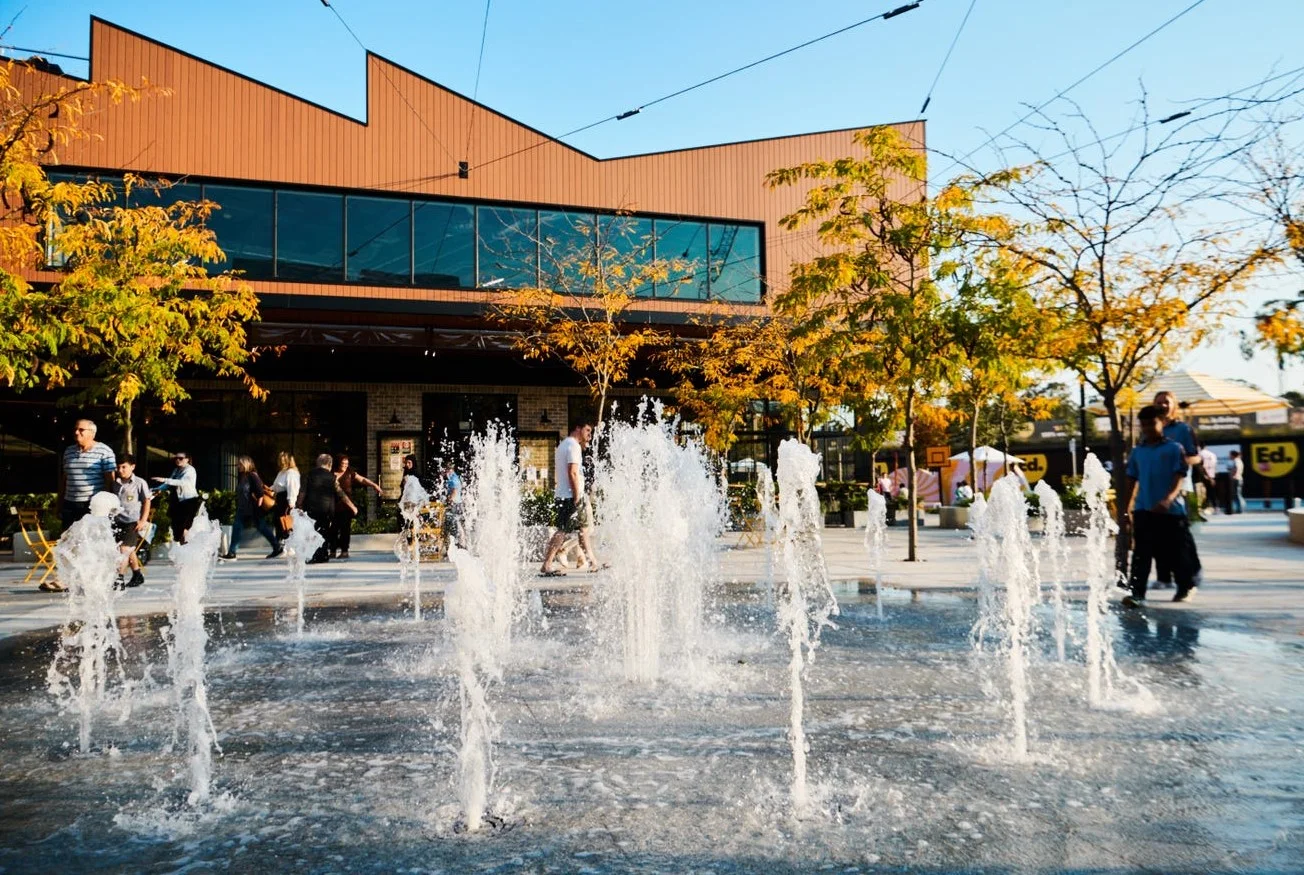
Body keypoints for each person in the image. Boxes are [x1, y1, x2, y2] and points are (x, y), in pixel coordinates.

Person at [1122, 405, 1197, 607]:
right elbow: (1131, 481)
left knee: (1176, 552)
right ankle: (1137, 593)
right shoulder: (1138, 452)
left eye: (1152, 423)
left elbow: (1179, 477)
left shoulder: (1174, 449)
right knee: (1141, 554)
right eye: (1143, 424)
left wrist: (1167, 499)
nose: (1147, 428)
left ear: (1162, 422)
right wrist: (1126, 509)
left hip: (1171, 511)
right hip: (1144, 509)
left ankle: (1185, 587)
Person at [1152, 391, 1202, 588]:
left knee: (1179, 533)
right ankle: (1164, 577)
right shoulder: (1150, 428)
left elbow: (1196, 456)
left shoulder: (1182, 429)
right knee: (1157, 534)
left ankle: (1193, 570)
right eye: (1159, 402)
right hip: (1154, 486)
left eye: (1166, 402)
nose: (1163, 405)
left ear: (1174, 405)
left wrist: (1179, 461)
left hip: (1177, 486)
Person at [540, 421, 599, 576]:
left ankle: (593, 562)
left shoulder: (563, 445)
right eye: (587, 430)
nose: (589, 435)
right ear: (577, 428)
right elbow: (572, 472)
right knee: (563, 530)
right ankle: (547, 564)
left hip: (567, 494)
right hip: (570, 496)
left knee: (583, 529)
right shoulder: (573, 446)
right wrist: (576, 495)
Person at [58, 418, 116, 533]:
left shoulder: (104, 451)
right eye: (75, 429)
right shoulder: (69, 451)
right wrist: (59, 504)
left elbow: (110, 481)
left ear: (92, 433)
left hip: (91, 505)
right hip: (69, 503)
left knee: (90, 540)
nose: (76, 432)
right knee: (67, 540)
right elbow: (64, 479)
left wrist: (104, 507)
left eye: (81, 430)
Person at [298, 453, 354, 564]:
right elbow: (341, 494)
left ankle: (313, 555)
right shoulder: (332, 478)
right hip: (326, 509)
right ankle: (323, 555)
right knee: (324, 532)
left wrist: (298, 505)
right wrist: (353, 506)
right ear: (329, 464)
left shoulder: (308, 475)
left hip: (310, 508)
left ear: (318, 463)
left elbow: (302, 492)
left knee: (311, 532)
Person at [222, 455, 280, 560]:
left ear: (246, 464)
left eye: (239, 464)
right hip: (242, 508)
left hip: (253, 509)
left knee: (262, 528)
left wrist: (258, 508)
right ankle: (231, 552)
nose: (237, 466)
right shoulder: (242, 477)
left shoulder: (253, 476)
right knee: (237, 528)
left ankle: (277, 547)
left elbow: (260, 493)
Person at [111, 454, 151, 588]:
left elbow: (147, 501)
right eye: (118, 467)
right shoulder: (114, 482)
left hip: (132, 522)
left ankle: (119, 579)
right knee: (128, 550)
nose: (120, 470)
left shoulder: (139, 483)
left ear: (132, 467)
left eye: (124, 467)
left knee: (124, 549)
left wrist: (143, 520)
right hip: (117, 521)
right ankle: (137, 574)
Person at [332, 454, 382, 560]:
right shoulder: (331, 474)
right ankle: (332, 550)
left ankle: (344, 551)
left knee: (345, 529)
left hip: (346, 506)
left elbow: (362, 480)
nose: (345, 466)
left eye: (346, 464)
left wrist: (374, 485)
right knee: (333, 529)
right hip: (333, 506)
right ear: (338, 463)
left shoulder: (350, 473)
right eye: (343, 463)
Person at [152, 451, 200, 545]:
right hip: (178, 501)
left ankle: (186, 548)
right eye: (176, 458)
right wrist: (158, 489)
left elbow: (181, 482)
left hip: (189, 500)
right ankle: (182, 548)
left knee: (185, 528)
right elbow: (168, 484)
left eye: (181, 458)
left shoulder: (190, 470)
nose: (178, 460)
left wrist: (165, 479)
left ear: (187, 459)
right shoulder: (176, 470)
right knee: (176, 528)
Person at [271, 451, 300, 544]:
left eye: (282, 460)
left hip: (285, 500)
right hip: (280, 499)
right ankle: (280, 544)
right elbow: (276, 486)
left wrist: (291, 502)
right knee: (278, 522)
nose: (280, 462)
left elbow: (292, 488)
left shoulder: (291, 473)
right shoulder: (282, 472)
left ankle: (287, 545)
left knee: (285, 523)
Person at [441, 459, 464, 550]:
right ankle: (459, 544)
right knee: (457, 525)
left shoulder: (452, 479)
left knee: (451, 526)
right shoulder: (455, 477)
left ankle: (456, 545)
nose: (444, 472)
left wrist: (448, 500)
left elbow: (454, 491)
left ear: (449, 470)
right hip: (458, 504)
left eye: (445, 470)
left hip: (454, 505)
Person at [1196, 441, 1218, 520]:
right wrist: (1212, 477)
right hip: (1212, 475)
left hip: (1203, 476)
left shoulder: (1199, 454)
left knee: (1203, 493)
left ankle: (1205, 508)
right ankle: (1215, 507)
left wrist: (1206, 475)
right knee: (1212, 492)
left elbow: (1201, 466)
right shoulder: (1212, 454)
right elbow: (1215, 465)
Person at [1229, 449, 1245, 514]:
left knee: (1237, 494)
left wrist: (1233, 475)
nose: (1229, 456)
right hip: (1238, 478)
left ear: (1233, 455)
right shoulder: (1238, 460)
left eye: (1230, 455)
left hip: (1237, 479)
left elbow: (1237, 469)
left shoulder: (1236, 460)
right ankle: (1239, 508)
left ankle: (1240, 509)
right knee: (1237, 494)